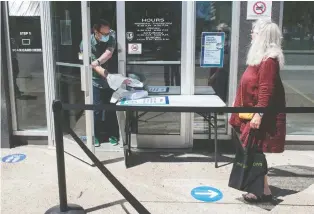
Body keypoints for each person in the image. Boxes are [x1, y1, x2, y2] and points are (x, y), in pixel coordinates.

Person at [229, 19, 286, 203]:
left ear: (262, 35)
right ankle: (265, 189)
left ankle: (258, 191)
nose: (251, 34)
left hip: (255, 116)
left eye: (254, 31)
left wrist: (259, 115)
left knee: (254, 153)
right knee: (254, 152)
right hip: (248, 113)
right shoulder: (260, 57)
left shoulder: (269, 60)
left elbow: (265, 90)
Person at [80, 19, 120, 146]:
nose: (106, 36)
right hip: (96, 80)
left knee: (111, 108)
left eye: (108, 33)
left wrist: (109, 76)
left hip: (111, 80)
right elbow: (92, 65)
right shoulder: (85, 43)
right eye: (104, 34)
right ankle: (96, 135)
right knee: (96, 110)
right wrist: (105, 74)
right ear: (96, 32)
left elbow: (108, 54)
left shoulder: (111, 38)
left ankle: (113, 134)